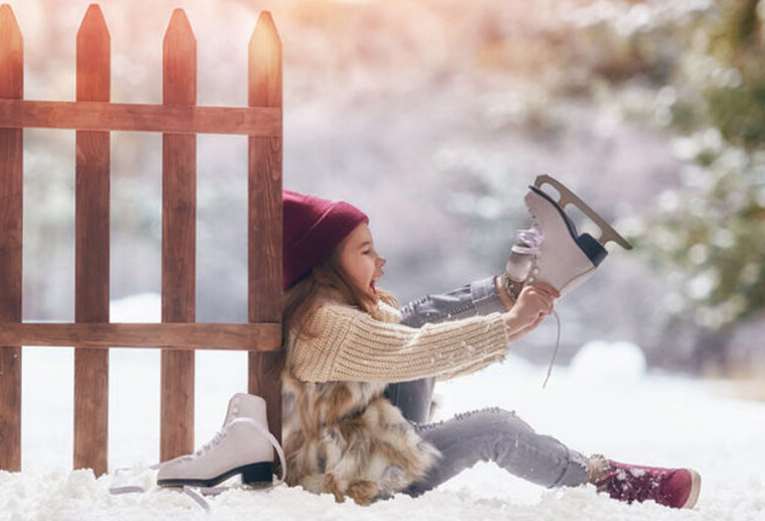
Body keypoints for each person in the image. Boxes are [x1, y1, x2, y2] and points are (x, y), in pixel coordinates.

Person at [158, 188, 700, 509]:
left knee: (415, 316)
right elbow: (411, 354)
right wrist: (508, 326)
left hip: (363, 435)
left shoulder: (340, 308)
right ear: (323, 265)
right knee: (494, 427)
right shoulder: (324, 324)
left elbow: (409, 334)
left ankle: (525, 278)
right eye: (366, 251)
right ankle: (615, 482)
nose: (381, 260)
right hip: (356, 474)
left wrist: (508, 297)